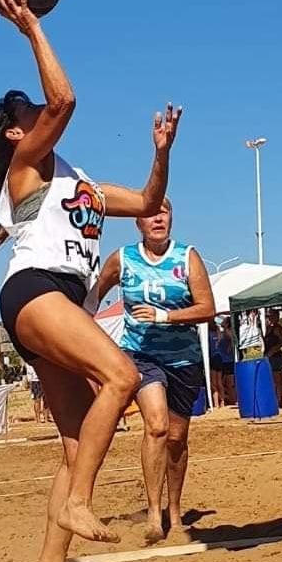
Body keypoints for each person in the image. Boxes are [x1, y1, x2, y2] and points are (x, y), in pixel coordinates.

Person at [0, 0, 181, 562]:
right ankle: (77, 504)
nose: (40, 105)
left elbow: (149, 203)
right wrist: (32, 28)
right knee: (121, 375)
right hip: (35, 291)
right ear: (17, 130)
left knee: (76, 442)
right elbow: (65, 99)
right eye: (28, 107)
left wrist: (160, 155)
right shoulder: (26, 162)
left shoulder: (82, 182)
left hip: (57, 300)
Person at [98, 199, 215, 544]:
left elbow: (207, 308)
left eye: (164, 212)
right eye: (151, 213)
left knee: (177, 438)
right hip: (141, 355)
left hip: (184, 359)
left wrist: (166, 316)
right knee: (158, 427)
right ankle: (153, 513)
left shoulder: (187, 256)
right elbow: (93, 297)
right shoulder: (123, 258)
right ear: (138, 222)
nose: (158, 218)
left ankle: (174, 511)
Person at [263, 309, 282, 404]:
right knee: (271, 379)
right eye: (268, 316)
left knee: (277, 379)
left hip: (275, 356)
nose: (269, 318)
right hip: (268, 356)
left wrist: (273, 350)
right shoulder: (268, 328)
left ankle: (279, 400)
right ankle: (274, 399)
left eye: (271, 316)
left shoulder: (277, 328)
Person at [218, 317, 236, 404]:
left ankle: (233, 399)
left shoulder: (228, 331)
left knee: (230, 383)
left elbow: (232, 339)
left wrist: (230, 346)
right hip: (224, 360)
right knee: (225, 382)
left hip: (228, 360)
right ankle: (230, 399)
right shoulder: (224, 331)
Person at [207, 320, 224, 409]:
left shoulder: (208, 334)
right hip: (219, 357)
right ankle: (222, 402)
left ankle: (216, 403)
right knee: (219, 382)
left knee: (213, 383)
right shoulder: (217, 333)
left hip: (213, 357)